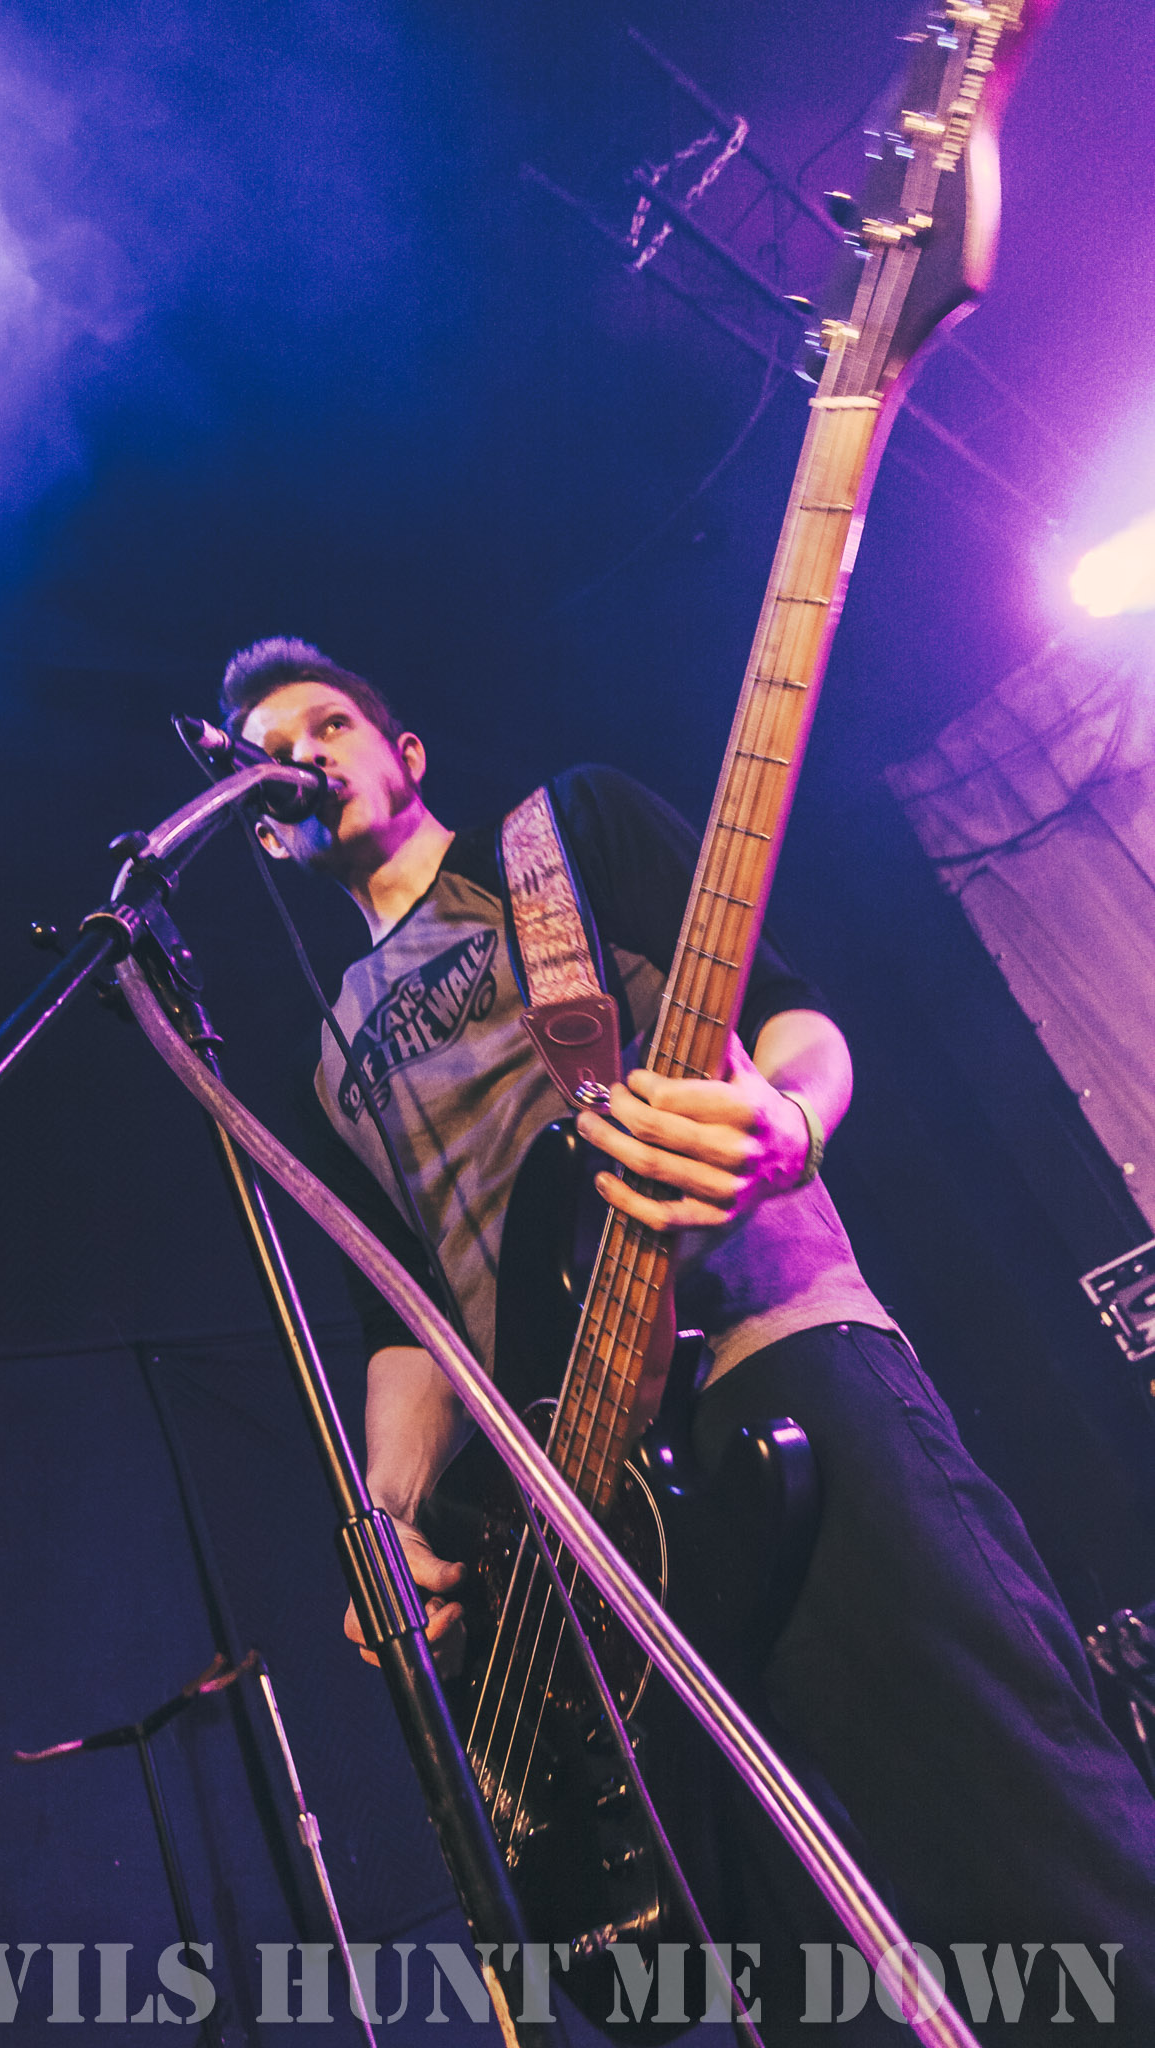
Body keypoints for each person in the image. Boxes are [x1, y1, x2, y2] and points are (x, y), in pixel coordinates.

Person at [223, 636, 1155, 2044]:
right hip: (578, 1513)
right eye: (267, 756)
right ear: (259, 829)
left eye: (328, 725)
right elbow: (398, 1322)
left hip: (762, 1353)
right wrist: (395, 1518)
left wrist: (789, 1122)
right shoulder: (320, 1066)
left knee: (1015, 1822)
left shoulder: (565, 837)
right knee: (799, 1955)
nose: (301, 758)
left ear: (402, 754)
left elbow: (797, 1017)